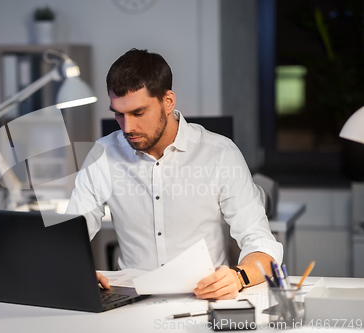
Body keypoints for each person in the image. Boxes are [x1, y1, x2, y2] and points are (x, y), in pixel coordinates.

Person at [66, 49, 282, 300]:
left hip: (204, 299)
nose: (128, 127)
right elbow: (70, 235)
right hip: (130, 302)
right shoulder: (103, 154)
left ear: (168, 101)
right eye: (118, 114)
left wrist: (238, 276)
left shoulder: (220, 154)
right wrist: (74, 270)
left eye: (138, 113)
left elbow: (263, 246)